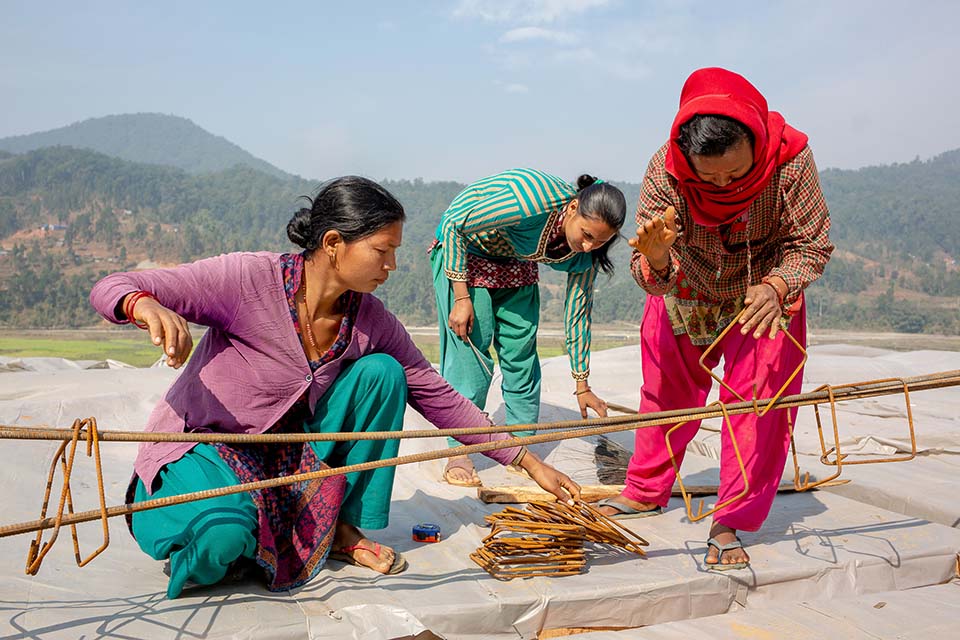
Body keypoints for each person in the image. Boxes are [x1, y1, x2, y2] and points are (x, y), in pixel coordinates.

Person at [89, 176, 581, 598]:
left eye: (394, 252)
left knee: (383, 373)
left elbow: (435, 393)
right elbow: (115, 285)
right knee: (221, 542)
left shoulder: (368, 318)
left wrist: (528, 462)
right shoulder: (246, 279)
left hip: (285, 452)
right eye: (381, 251)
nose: (390, 266)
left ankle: (338, 527)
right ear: (332, 243)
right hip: (204, 446)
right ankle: (223, 521)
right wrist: (143, 306)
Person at [597, 68, 834, 571]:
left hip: (764, 294)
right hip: (686, 287)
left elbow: (810, 243)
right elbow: (649, 270)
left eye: (736, 172)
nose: (724, 184)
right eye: (711, 176)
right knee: (666, 393)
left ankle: (730, 519)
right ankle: (645, 489)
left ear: (757, 140)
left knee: (757, 405)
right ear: (688, 159)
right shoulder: (665, 171)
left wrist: (778, 286)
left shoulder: (790, 164)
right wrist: (658, 259)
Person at [429, 169, 626, 486]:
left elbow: (577, 314)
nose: (589, 246)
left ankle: (519, 446)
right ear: (573, 209)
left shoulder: (585, 254)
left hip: (516, 261)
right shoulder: (531, 201)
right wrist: (461, 297)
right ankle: (458, 451)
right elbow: (455, 224)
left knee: (521, 353)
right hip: (465, 251)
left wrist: (582, 384)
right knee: (471, 352)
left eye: (600, 241)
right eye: (586, 235)